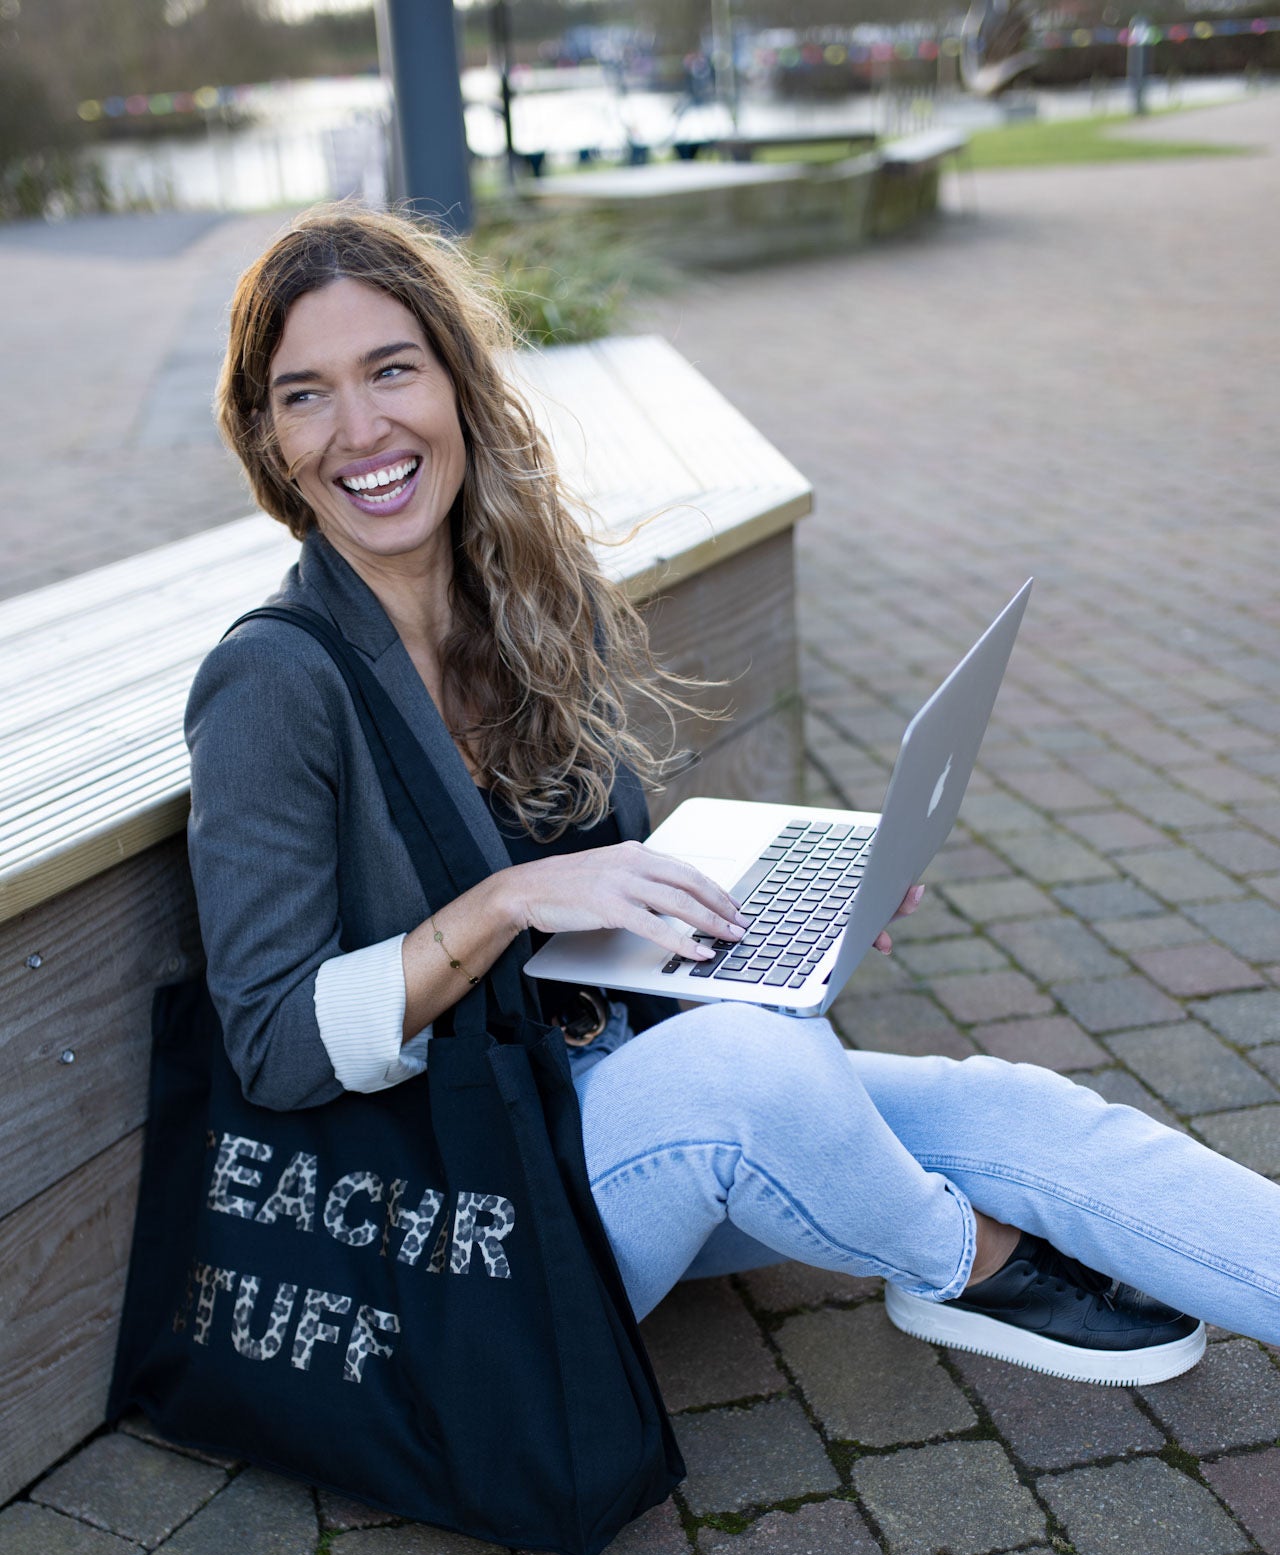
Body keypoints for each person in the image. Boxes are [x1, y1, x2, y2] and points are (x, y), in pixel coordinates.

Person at [189, 204, 1280, 1397]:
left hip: (611, 1113)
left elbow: (586, 912)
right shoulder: (274, 679)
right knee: (748, 1070)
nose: (359, 428)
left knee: (1009, 1110)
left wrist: (756, 918)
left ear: (456, 385)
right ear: (264, 435)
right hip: (461, 1231)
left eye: (390, 370)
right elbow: (276, 1048)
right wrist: (500, 904)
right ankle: (962, 1264)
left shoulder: (519, 604)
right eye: (305, 393)